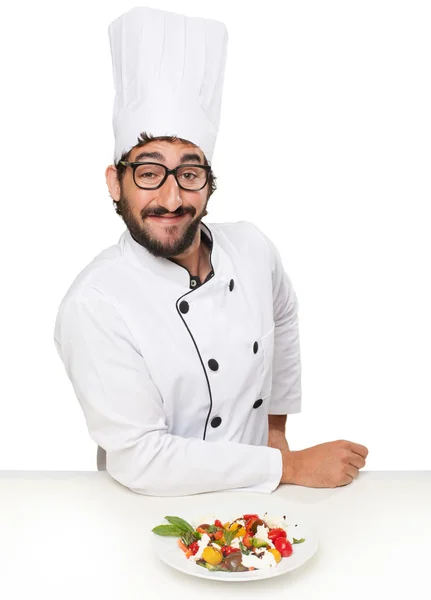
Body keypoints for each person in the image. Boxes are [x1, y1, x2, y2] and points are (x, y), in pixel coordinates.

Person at [54, 7, 368, 497]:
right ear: (116, 183)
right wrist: (289, 467)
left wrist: (277, 437)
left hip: (260, 509)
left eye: (190, 172)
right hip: (147, 519)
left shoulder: (252, 248)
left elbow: (283, 320)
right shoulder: (95, 303)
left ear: (209, 181)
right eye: (149, 172)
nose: (172, 198)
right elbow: (142, 459)